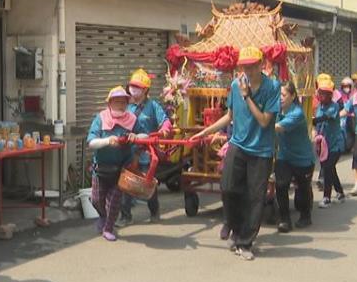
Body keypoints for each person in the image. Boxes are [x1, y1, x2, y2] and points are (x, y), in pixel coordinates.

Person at [192, 47, 280, 261]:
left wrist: (248, 97)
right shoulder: (235, 85)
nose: (247, 71)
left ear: (261, 65)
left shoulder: (272, 87)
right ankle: (235, 227)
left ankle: (245, 242)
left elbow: (264, 121)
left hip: (261, 151)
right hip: (238, 145)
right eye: (244, 66)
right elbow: (229, 116)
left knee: (255, 198)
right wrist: (205, 132)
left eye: (252, 66)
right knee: (228, 187)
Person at [117, 68, 172, 226]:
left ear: (145, 89)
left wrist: (164, 130)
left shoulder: (153, 106)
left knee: (148, 184)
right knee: (127, 185)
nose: (133, 89)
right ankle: (125, 216)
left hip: (147, 152)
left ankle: (154, 211)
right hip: (130, 152)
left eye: (137, 87)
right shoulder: (128, 107)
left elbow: (165, 121)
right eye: (132, 86)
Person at [87, 86, 141, 241]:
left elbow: (143, 136)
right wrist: (107, 141)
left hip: (121, 169)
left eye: (123, 101)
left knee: (114, 202)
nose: (120, 104)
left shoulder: (132, 119)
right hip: (101, 169)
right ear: (110, 102)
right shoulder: (101, 118)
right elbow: (91, 142)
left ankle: (109, 228)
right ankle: (103, 217)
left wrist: (135, 137)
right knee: (97, 199)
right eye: (117, 101)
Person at [274, 81, 315, 232]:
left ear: (292, 96)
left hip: (302, 159)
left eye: (284, 95)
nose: (280, 98)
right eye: (279, 95)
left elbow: (278, 127)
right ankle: (284, 219)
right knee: (281, 185)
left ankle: (306, 216)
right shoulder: (276, 110)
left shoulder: (297, 113)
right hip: (284, 157)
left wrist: (260, 123)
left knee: (302, 190)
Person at [313, 78, 347, 208]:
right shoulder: (319, 107)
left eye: (326, 93)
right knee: (330, 169)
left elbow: (326, 117)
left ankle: (326, 198)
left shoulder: (334, 106)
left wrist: (314, 120)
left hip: (335, 144)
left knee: (327, 169)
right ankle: (340, 192)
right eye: (321, 93)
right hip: (323, 145)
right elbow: (318, 124)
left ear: (330, 95)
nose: (322, 96)